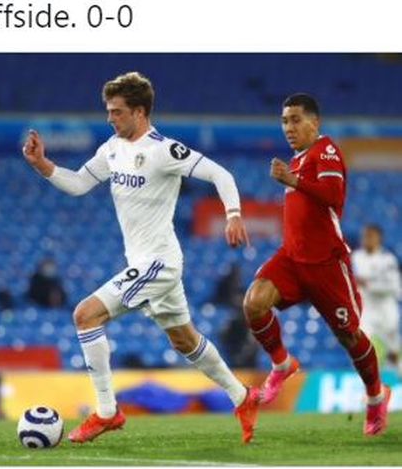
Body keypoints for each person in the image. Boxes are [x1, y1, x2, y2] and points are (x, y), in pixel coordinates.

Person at [22, 72, 259, 444]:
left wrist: (232, 215)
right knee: (184, 341)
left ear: (139, 111)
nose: (110, 118)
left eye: (116, 112)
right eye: (109, 111)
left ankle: (106, 412)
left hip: (159, 262)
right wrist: (42, 165)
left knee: (85, 315)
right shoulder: (112, 148)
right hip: (145, 262)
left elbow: (220, 174)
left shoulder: (164, 150)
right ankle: (242, 396)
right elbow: (80, 184)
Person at [242, 94, 391, 437]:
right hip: (292, 258)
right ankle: (282, 363)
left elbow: (333, 196)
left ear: (315, 123)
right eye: (284, 121)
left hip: (326, 263)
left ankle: (375, 397)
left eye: (295, 119)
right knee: (254, 302)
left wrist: (294, 181)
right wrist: (293, 178)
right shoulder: (297, 159)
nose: (289, 128)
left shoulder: (326, 150)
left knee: (349, 336)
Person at [352, 224, 402, 377]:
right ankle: (371, 383)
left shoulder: (388, 260)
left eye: (371, 236)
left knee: (393, 352)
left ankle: (397, 371)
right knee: (362, 343)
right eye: (365, 236)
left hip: (386, 310)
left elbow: (394, 286)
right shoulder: (355, 257)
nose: (367, 239)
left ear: (379, 238)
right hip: (367, 311)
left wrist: (369, 284)